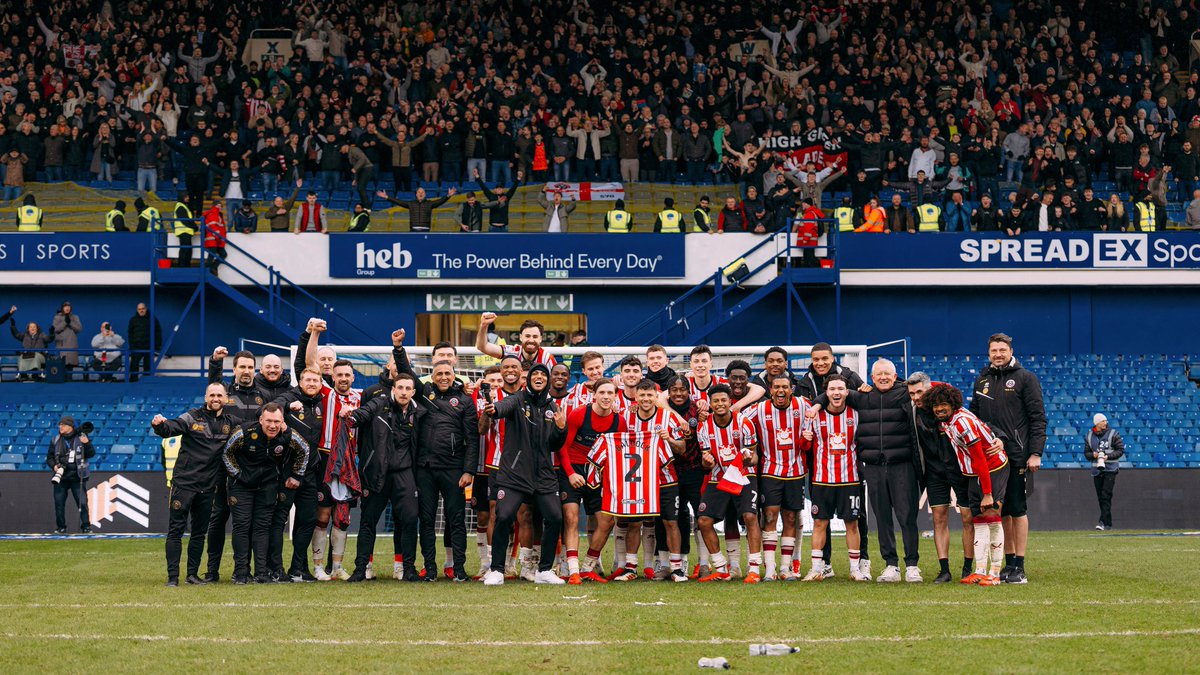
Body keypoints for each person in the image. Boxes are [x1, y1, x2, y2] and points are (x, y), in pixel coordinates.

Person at [392, 330, 478, 581]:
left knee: (456, 520)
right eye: (439, 374)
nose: (443, 377)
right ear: (432, 375)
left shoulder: (464, 401)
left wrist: (469, 470)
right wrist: (399, 349)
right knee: (427, 520)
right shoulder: (423, 394)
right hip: (425, 469)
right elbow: (405, 371)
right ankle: (430, 568)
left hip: (454, 470)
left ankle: (459, 569)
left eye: (447, 374)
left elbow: (472, 439)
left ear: (454, 375)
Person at [481, 363, 568, 586]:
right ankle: (497, 570)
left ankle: (544, 570)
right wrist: (493, 408)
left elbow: (555, 445)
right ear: (527, 379)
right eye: (535, 374)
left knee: (555, 518)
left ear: (547, 381)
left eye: (543, 375)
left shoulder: (553, 407)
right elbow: (500, 408)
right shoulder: (517, 400)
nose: (539, 377)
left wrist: (561, 428)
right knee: (503, 516)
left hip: (543, 474)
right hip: (515, 473)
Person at [969, 333, 1046, 585]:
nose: (998, 354)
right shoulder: (982, 380)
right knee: (1001, 512)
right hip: (992, 459)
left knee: (1017, 509)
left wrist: (1035, 453)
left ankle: (1019, 566)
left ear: (1011, 351)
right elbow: (975, 419)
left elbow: (1038, 418)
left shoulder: (1026, 378)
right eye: (994, 350)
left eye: (1002, 350)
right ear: (988, 353)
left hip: (1017, 456)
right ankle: (1008, 562)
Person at [151, 382, 237, 586]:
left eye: (219, 395)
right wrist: (159, 425)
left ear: (226, 398)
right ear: (206, 397)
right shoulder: (192, 416)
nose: (216, 399)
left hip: (208, 487)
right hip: (184, 484)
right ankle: (173, 577)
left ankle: (192, 575)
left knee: (199, 533)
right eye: (212, 395)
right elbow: (171, 427)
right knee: (176, 531)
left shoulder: (230, 422)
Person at [924, 384, 1009, 586]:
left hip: (992, 468)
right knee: (978, 519)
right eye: (935, 405)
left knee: (991, 516)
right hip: (973, 472)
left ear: (953, 404)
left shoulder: (962, 423)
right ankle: (979, 570)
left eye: (943, 404)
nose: (939, 409)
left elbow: (980, 458)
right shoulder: (948, 420)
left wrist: (987, 493)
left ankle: (995, 573)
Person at [344, 369, 423, 582]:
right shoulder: (378, 404)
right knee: (368, 521)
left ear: (413, 392)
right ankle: (361, 569)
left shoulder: (419, 412)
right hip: (376, 472)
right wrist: (351, 415)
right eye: (400, 388)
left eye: (408, 388)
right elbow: (362, 413)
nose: (404, 392)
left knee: (409, 520)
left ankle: (408, 569)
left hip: (404, 474)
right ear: (393, 389)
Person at [221, 403, 310, 584]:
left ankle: (261, 573)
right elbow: (226, 453)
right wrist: (237, 474)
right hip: (241, 487)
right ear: (261, 420)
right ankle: (241, 572)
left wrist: (296, 475)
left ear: (282, 421)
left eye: (276, 421)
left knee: (262, 528)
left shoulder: (288, 435)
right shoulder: (244, 432)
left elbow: (305, 449)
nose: (272, 425)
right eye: (269, 421)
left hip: (268, 486)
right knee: (242, 527)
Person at [906, 372, 976, 583]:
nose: (916, 397)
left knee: (967, 518)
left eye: (920, 392)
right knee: (939, 518)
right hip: (934, 472)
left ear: (929, 389)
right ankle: (944, 570)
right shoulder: (913, 411)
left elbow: (975, 423)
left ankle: (967, 568)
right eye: (912, 393)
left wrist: (999, 437)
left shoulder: (948, 407)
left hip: (960, 470)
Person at [800, 375, 869, 582]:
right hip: (822, 480)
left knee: (852, 524)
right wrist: (805, 440)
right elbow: (804, 447)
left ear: (847, 392)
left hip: (850, 479)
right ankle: (816, 569)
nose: (836, 392)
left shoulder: (857, 414)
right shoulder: (814, 416)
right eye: (832, 389)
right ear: (826, 393)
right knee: (819, 523)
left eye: (840, 389)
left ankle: (855, 569)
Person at [694, 384, 763, 583]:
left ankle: (754, 569)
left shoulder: (744, 423)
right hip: (718, 477)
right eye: (715, 401)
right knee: (703, 521)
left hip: (744, 476)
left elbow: (755, 457)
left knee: (750, 516)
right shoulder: (703, 427)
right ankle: (721, 568)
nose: (720, 404)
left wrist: (748, 459)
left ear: (730, 401)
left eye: (723, 400)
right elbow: (706, 462)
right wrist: (707, 462)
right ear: (710, 403)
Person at [743, 374, 809, 580]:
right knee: (770, 517)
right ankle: (770, 569)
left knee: (790, 518)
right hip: (770, 472)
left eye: (785, 387)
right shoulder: (759, 409)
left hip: (796, 472)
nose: (781, 391)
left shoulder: (803, 405)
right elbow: (737, 420)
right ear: (770, 390)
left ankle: (785, 569)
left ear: (791, 389)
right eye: (776, 387)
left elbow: (821, 410)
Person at [559, 378, 622, 583]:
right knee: (571, 518)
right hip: (574, 471)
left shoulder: (619, 421)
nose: (606, 397)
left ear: (616, 396)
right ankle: (573, 570)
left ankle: (587, 567)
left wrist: (608, 474)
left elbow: (619, 454)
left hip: (599, 474)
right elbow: (562, 447)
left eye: (610, 393)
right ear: (594, 395)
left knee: (607, 521)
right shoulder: (579, 414)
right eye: (602, 392)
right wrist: (570, 473)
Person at [46, 415, 94, 534]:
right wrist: (54, 466)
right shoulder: (55, 439)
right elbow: (49, 458)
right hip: (61, 478)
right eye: (60, 425)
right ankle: (61, 527)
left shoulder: (81, 437)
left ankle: (86, 527)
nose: (60, 427)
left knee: (82, 503)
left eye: (63, 425)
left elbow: (91, 454)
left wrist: (87, 443)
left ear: (70, 426)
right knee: (59, 504)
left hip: (78, 476)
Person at [1084, 413, 1124, 531]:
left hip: (1110, 469)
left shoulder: (1113, 434)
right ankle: (1107, 523)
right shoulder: (1089, 435)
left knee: (1106, 495)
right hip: (1096, 470)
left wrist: (1108, 456)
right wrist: (1093, 455)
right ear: (1097, 423)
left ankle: (1103, 522)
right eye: (1103, 421)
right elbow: (1086, 453)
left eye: (1105, 421)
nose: (1105, 423)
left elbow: (1120, 450)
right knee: (1101, 496)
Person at [476, 313, 557, 369]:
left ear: (540, 339)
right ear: (521, 337)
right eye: (527, 336)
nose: (531, 340)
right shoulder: (512, 352)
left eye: (535, 337)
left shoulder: (547, 359)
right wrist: (484, 325)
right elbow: (483, 347)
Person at [377, 187, 456, 232]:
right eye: (419, 192)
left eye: (422, 192)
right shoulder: (411, 204)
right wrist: (387, 197)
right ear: (416, 194)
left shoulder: (430, 204)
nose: (420, 194)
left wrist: (448, 196)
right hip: (413, 231)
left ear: (425, 194)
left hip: (426, 230)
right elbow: (399, 202)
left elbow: (440, 201)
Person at [9, 309, 49, 381]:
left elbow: (48, 339)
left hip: (40, 355)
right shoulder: (24, 335)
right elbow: (16, 334)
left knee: (35, 356)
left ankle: (35, 374)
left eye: (34, 327)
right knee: (21, 357)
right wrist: (13, 326)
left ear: (37, 328)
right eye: (31, 327)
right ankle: (23, 374)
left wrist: (51, 334)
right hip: (27, 355)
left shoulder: (42, 335)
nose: (32, 328)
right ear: (28, 329)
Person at [126, 303, 161, 382]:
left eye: (143, 308)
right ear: (137, 310)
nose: (141, 310)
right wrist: (131, 345)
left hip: (149, 346)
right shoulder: (133, 320)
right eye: (139, 309)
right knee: (134, 364)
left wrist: (157, 346)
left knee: (148, 365)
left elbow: (158, 332)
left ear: (146, 309)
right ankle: (133, 380)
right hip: (136, 346)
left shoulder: (153, 319)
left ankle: (146, 381)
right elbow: (130, 333)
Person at [51, 301, 83, 375]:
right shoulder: (57, 317)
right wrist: (65, 322)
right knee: (61, 365)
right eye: (65, 306)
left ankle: (70, 379)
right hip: (61, 344)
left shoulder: (75, 317)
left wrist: (70, 323)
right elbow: (56, 329)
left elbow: (79, 329)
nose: (67, 308)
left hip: (72, 343)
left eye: (68, 306)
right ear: (62, 308)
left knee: (71, 366)